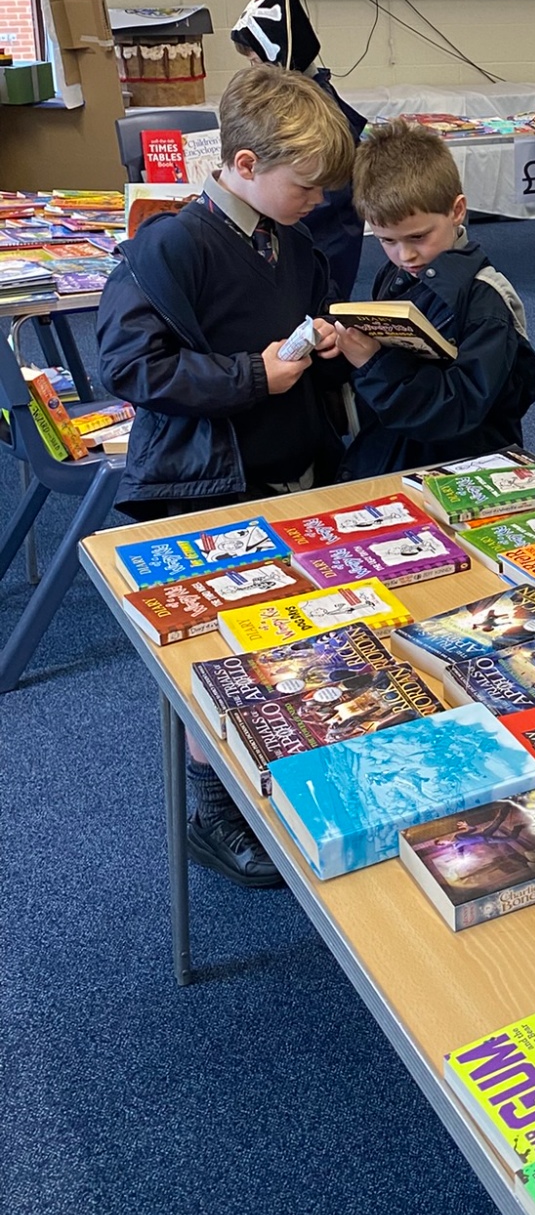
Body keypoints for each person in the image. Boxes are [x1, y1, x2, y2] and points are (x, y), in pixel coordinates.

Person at [97, 60, 356, 887]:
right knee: (216, 661)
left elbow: (300, 330)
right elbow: (129, 366)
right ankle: (213, 807)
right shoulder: (169, 246)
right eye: (305, 184)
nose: (318, 199)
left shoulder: (294, 240)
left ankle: (278, 771)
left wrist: (327, 342)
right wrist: (251, 376)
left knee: (292, 640)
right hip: (206, 482)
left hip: (295, 470)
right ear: (244, 165)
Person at [335, 120, 535, 476]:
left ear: (457, 211)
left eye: (418, 237)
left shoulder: (486, 303)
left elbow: (459, 410)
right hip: (396, 457)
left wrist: (373, 365)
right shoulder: (396, 274)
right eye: (387, 241)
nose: (405, 255)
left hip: (461, 470)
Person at [230, 0, 368, 299]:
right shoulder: (309, 99)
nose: (254, 71)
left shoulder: (318, 113)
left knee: (322, 296)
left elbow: (319, 195)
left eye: (257, 62)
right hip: (310, 229)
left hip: (324, 235)